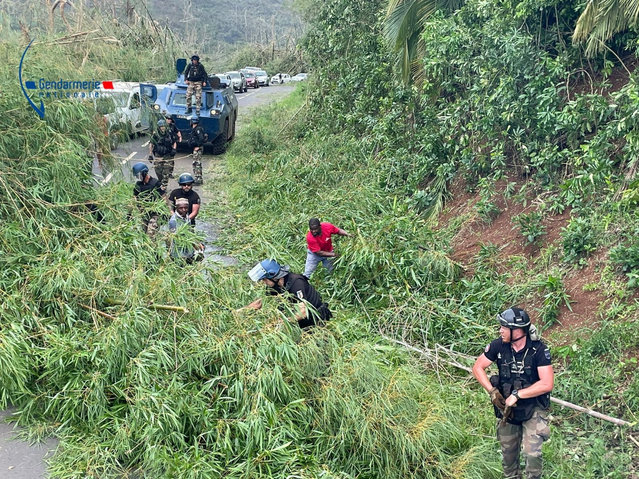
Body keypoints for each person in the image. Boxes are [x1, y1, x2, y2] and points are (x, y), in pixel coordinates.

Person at [472, 307, 554, 479]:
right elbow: (478, 367)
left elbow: (547, 383)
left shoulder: (538, 350)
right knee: (508, 455)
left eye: (504, 327)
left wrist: (518, 395)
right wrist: (492, 391)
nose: (500, 330)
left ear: (516, 330)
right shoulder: (498, 346)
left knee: (532, 454)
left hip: (533, 408)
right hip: (508, 411)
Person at [246, 259, 332, 329]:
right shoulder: (274, 286)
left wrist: (283, 322)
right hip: (301, 321)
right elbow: (263, 301)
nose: (264, 283)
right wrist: (244, 311)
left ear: (274, 277)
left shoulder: (296, 282)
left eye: (264, 280)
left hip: (317, 318)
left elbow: (303, 310)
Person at [132, 161, 165, 236]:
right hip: (144, 213)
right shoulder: (138, 185)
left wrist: (164, 212)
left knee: (151, 234)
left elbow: (163, 198)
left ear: (144, 173)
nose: (138, 178)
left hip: (155, 214)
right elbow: (134, 197)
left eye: (139, 175)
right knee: (143, 234)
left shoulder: (155, 183)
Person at [167, 198, 204, 263]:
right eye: (181, 208)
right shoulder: (173, 221)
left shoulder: (187, 218)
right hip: (178, 253)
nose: (184, 210)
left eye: (186, 208)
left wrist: (196, 242)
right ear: (176, 208)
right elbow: (174, 238)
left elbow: (190, 232)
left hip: (188, 251)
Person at [149, 119, 177, 191]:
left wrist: (174, 149)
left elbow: (174, 142)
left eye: (164, 126)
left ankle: (164, 186)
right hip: (158, 155)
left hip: (167, 155)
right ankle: (161, 182)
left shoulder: (170, 133)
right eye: (161, 127)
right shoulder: (156, 135)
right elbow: (151, 144)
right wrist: (150, 154)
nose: (163, 128)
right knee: (158, 170)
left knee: (166, 171)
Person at [188, 116, 207, 185]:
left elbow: (201, 138)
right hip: (195, 148)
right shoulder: (194, 129)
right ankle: (197, 177)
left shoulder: (198, 129)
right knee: (195, 163)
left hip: (198, 148)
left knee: (197, 163)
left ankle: (198, 179)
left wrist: (198, 146)